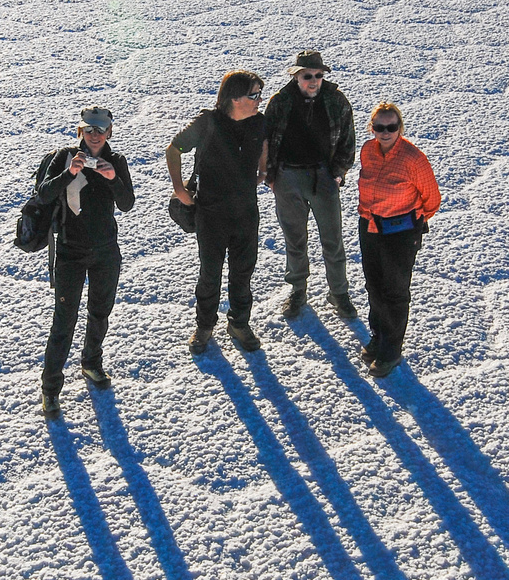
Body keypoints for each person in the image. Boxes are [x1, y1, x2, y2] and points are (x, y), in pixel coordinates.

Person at [35, 106, 134, 418]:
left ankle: (91, 362)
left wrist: (112, 177)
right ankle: (50, 389)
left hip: (105, 251)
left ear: (109, 133)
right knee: (63, 322)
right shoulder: (65, 157)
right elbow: (44, 194)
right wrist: (70, 173)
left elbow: (127, 203)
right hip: (70, 252)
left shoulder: (116, 161)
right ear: (80, 131)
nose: (94, 135)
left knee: (100, 312)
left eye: (100, 130)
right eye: (88, 129)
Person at [167, 71, 269, 354]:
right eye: (254, 95)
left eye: (260, 93)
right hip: (211, 213)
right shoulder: (208, 122)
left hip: (246, 212)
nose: (260, 99)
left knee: (243, 272)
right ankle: (204, 325)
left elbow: (263, 141)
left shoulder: (259, 122)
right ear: (234, 98)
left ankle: (239, 322)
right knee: (210, 273)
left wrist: (263, 168)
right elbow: (174, 148)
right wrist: (179, 188)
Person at [263, 50, 357, 320]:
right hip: (287, 178)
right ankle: (298, 290)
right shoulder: (280, 102)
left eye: (318, 75)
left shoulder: (336, 100)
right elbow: (266, 141)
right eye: (307, 76)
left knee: (333, 239)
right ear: (296, 76)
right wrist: (271, 175)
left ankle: (338, 293)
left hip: (323, 178)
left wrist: (338, 173)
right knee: (295, 239)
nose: (313, 80)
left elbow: (348, 142)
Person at [356, 102, 441, 378]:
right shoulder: (368, 151)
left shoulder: (414, 159)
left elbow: (432, 199)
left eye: (391, 127)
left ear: (400, 128)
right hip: (370, 226)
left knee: (394, 291)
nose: (385, 132)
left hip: (400, 234)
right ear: (372, 128)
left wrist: (410, 226)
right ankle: (378, 336)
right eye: (379, 127)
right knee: (374, 285)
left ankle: (391, 351)